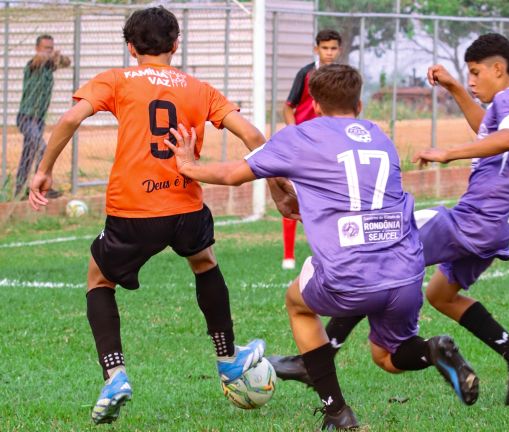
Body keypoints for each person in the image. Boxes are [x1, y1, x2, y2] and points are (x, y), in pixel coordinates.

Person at [164, 64, 479, 430]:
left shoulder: (303, 136)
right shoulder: (380, 137)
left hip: (349, 272)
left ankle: (336, 411)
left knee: (297, 304)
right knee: (386, 355)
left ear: (313, 104)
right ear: (359, 104)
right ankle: (433, 349)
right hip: (406, 269)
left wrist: (188, 165)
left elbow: (233, 175)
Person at [27, 7, 294, 424]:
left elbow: (70, 118)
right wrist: (277, 187)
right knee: (204, 262)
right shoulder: (198, 88)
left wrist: (42, 170)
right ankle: (226, 358)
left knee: (99, 278)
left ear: (131, 48)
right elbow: (255, 137)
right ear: (176, 43)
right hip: (186, 205)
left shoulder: (116, 79)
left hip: (133, 209)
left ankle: (115, 374)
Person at [268, 33, 509, 407]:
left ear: (500, 69)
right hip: (495, 228)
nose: (472, 81)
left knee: (378, 244)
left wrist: (449, 152)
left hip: (473, 220)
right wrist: (454, 90)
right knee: (440, 295)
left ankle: (315, 358)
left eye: (476, 73)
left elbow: (508, 138)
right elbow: (491, 129)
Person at [280, 29, 342, 270]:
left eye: (333, 48)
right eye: (324, 48)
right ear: (316, 49)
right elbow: (288, 107)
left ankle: (332, 249)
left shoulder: (341, 76)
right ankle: (288, 255)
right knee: (292, 193)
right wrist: (295, 134)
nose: (329, 52)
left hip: (330, 145)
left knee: (332, 195)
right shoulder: (306, 73)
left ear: (339, 50)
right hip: (304, 144)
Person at [14, 34, 70, 199]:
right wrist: (49, 56)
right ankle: (41, 187)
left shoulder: (49, 65)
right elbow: (38, 61)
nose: (48, 51)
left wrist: (57, 57)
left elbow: (66, 62)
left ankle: (19, 190)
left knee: (28, 155)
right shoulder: (33, 64)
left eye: (51, 48)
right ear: (37, 49)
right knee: (43, 149)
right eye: (46, 48)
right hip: (26, 117)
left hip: (38, 120)